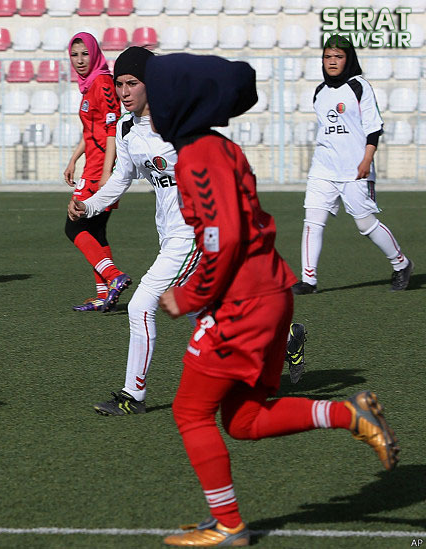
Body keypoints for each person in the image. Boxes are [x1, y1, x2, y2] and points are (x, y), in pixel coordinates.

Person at [146, 53, 398, 546]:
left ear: (180, 101)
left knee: (189, 412)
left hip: (244, 302)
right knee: (243, 420)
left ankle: (229, 525)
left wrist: (192, 294)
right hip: (267, 293)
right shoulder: (215, 147)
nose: (152, 108)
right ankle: (350, 414)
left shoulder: (200, 154)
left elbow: (225, 236)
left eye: (157, 98)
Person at [69, 47, 310, 416]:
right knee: (205, 315)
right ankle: (283, 339)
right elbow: (121, 178)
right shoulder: (126, 128)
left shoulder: (180, 122)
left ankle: (132, 395)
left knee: (140, 305)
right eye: (119, 84)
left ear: (153, 85)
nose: (123, 91)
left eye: (132, 83)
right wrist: (89, 206)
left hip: (193, 235)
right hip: (169, 234)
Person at [294, 35, 412, 294]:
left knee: (365, 224)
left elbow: (373, 128)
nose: (332, 62)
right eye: (328, 57)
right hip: (323, 167)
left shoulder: (359, 86)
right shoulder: (320, 92)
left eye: (338, 57)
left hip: (355, 168)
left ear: (348, 59)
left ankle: (401, 264)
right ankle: (309, 280)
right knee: (312, 220)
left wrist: (367, 159)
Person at [63, 32, 130, 312]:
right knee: (97, 232)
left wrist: (106, 173)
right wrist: (73, 160)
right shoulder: (89, 85)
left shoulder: (102, 83)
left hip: (98, 170)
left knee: (74, 226)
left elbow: (113, 128)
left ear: (95, 54)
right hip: (90, 166)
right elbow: (91, 131)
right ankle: (105, 295)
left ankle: (114, 277)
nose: (80, 60)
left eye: (84, 54)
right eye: (74, 55)